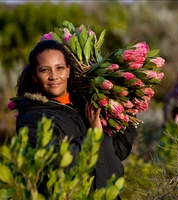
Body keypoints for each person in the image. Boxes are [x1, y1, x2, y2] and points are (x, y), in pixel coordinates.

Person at [15, 40, 137, 196]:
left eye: (59, 68)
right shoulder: (32, 118)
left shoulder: (85, 105)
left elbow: (118, 151)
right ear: (34, 76)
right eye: (45, 70)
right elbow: (55, 164)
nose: (54, 76)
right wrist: (93, 137)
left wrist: (127, 108)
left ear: (68, 70)